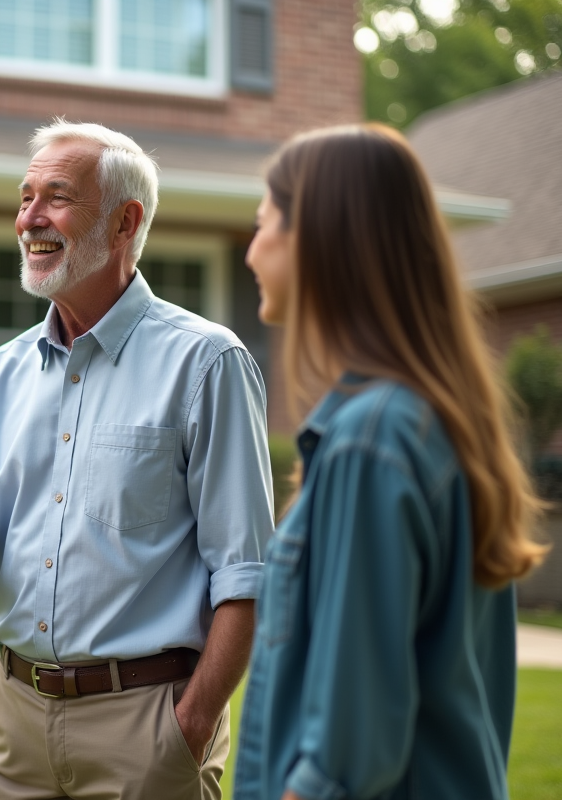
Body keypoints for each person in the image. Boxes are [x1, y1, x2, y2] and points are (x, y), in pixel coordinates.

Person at [0, 121, 275, 799]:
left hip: (148, 725)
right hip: (16, 720)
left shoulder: (206, 364)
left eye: (56, 197)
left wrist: (191, 722)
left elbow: (245, 574)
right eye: (25, 196)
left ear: (125, 223)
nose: (29, 218)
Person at [232, 124, 550, 800]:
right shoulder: (428, 422)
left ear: (317, 240)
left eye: (265, 224)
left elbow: (347, 754)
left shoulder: (369, 442)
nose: (252, 250)